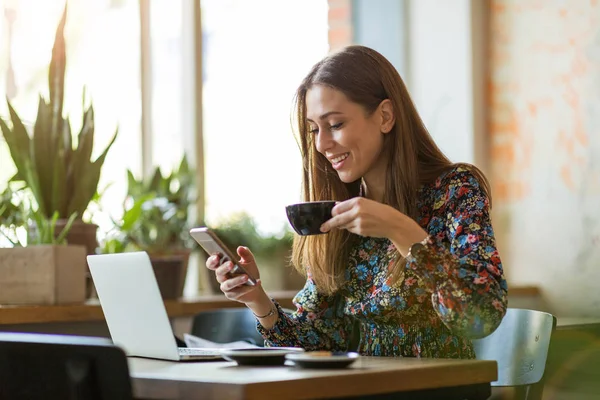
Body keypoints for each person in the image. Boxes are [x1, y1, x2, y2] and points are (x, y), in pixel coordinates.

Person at [206, 45, 508, 359]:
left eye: (335, 125)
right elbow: (319, 338)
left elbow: (480, 316)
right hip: (364, 388)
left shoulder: (455, 189)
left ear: (385, 116)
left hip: (440, 388)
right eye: (314, 129)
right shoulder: (342, 212)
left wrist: (401, 230)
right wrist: (257, 299)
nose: (321, 144)